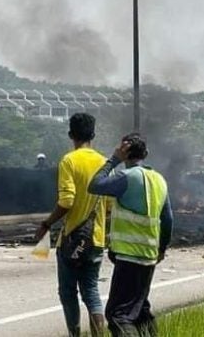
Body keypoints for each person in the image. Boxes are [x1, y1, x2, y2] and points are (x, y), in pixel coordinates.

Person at [89, 133, 173, 337]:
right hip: (149, 256)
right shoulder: (159, 179)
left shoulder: (127, 177)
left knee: (119, 315)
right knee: (140, 310)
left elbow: (95, 185)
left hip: (129, 257)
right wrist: (161, 249)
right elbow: (168, 219)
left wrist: (114, 160)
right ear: (146, 154)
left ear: (124, 153)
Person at [35, 113, 107, 337]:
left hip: (72, 240)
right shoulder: (105, 163)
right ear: (93, 134)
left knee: (68, 293)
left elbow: (67, 201)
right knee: (92, 292)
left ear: (70, 134)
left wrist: (47, 223)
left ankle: (74, 335)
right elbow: (112, 205)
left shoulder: (69, 161)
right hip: (96, 239)